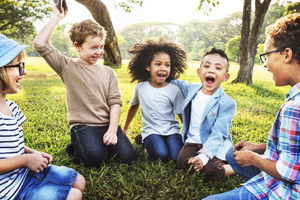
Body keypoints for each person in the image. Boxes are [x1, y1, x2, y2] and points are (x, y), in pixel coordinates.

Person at [204, 13, 300, 200]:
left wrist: (254, 158)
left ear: (286, 54)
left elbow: (289, 175)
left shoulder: (294, 108)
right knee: (231, 156)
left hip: (285, 192)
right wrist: (258, 148)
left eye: (266, 55)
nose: (265, 64)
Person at [33, 3, 138, 167]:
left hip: (107, 124)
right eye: (93, 47)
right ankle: (76, 146)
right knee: (95, 160)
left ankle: (98, 143)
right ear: (77, 46)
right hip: (83, 126)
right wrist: (57, 17)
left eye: (101, 46)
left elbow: (115, 103)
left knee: (128, 157)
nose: (99, 51)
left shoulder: (109, 72)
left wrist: (112, 130)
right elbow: (40, 44)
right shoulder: (67, 66)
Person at [0, 34, 85, 200]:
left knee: (79, 182)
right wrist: (25, 160)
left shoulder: (12, 107)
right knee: (74, 195)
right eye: (18, 66)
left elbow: (9, 146)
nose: (24, 72)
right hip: (10, 191)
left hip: (24, 173)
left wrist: (32, 153)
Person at [171, 47, 237, 182]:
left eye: (218, 68)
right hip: (192, 141)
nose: (211, 70)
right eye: (207, 66)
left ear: (225, 77)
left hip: (214, 144)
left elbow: (218, 134)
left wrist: (203, 157)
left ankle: (235, 167)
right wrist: (158, 75)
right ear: (199, 72)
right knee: (182, 163)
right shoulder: (192, 89)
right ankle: (201, 161)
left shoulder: (227, 103)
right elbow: (175, 82)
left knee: (209, 172)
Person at [122, 38, 187, 163]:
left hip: (172, 130)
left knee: (175, 157)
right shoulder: (141, 87)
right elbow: (134, 106)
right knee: (160, 155)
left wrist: (190, 133)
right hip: (151, 130)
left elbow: (180, 113)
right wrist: (125, 128)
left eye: (167, 65)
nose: (163, 68)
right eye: (158, 64)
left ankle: (149, 142)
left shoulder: (174, 89)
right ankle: (146, 143)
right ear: (148, 66)